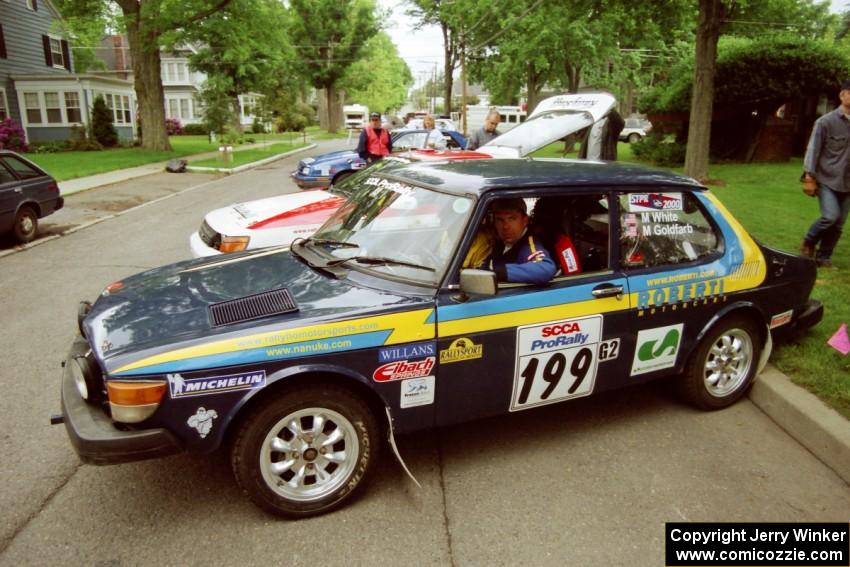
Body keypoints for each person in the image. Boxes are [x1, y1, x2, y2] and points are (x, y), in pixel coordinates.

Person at [800, 79, 850, 268]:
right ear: (842, 95)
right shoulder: (825, 122)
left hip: (848, 182)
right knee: (830, 216)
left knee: (838, 224)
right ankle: (808, 241)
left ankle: (824, 256)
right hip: (827, 178)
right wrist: (809, 177)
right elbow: (813, 150)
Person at [483, 198, 556, 284]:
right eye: (500, 220)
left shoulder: (529, 245)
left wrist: (500, 272)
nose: (506, 226)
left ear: (525, 221)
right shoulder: (499, 243)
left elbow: (545, 269)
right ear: (494, 222)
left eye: (512, 219)